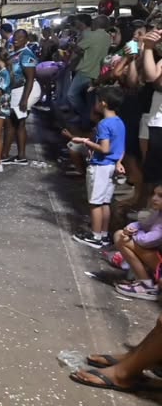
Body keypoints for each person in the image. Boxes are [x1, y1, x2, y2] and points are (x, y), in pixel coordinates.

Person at [68, 86, 125, 250]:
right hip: (112, 166)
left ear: (103, 103)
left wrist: (84, 141)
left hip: (101, 166)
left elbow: (104, 148)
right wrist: (119, 162)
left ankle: (95, 236)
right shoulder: (120, 122)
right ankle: (104, 234)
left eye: (97, 101)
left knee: (95, 202)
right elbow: (121, 148)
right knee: (105, 202)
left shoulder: (104, 124)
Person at [107, 184, 162, 300]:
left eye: (160, 196)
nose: (154, 198)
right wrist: (130, 228)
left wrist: (133, 233)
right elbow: (143, 224)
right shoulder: (158, 213)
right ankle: (146, 281)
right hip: (157, 255)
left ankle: (147, 285)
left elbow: (147, 240)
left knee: (121, 237)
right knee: (121, 235)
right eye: (154, 194)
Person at [2, 29, 40, 165]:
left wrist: (24, 99)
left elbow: (30, 78)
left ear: (26, 39)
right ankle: (16, 156)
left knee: (15, 122)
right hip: (17, 90)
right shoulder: (16, 52)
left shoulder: (27, 55)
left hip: (25, 90)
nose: (16, 39)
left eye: (20, 37)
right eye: (15, 36)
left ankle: (9, 155)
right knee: (15, 123)